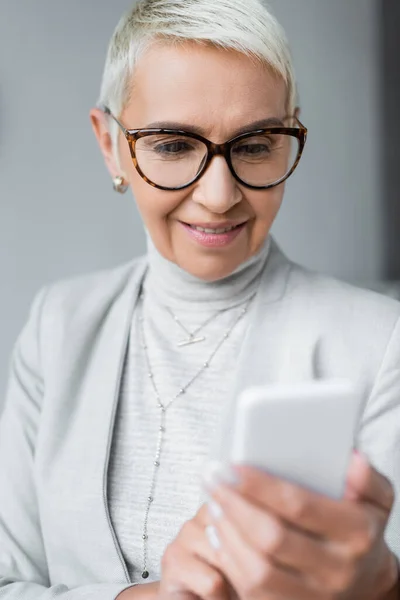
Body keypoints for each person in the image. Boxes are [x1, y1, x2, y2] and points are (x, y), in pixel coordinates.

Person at [1, 0, 399, 598]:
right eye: (171, 146)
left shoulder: (381, 341)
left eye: (257, 144)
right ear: (111, 144)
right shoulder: (58, 328)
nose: (218, 196)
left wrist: (384, 584)